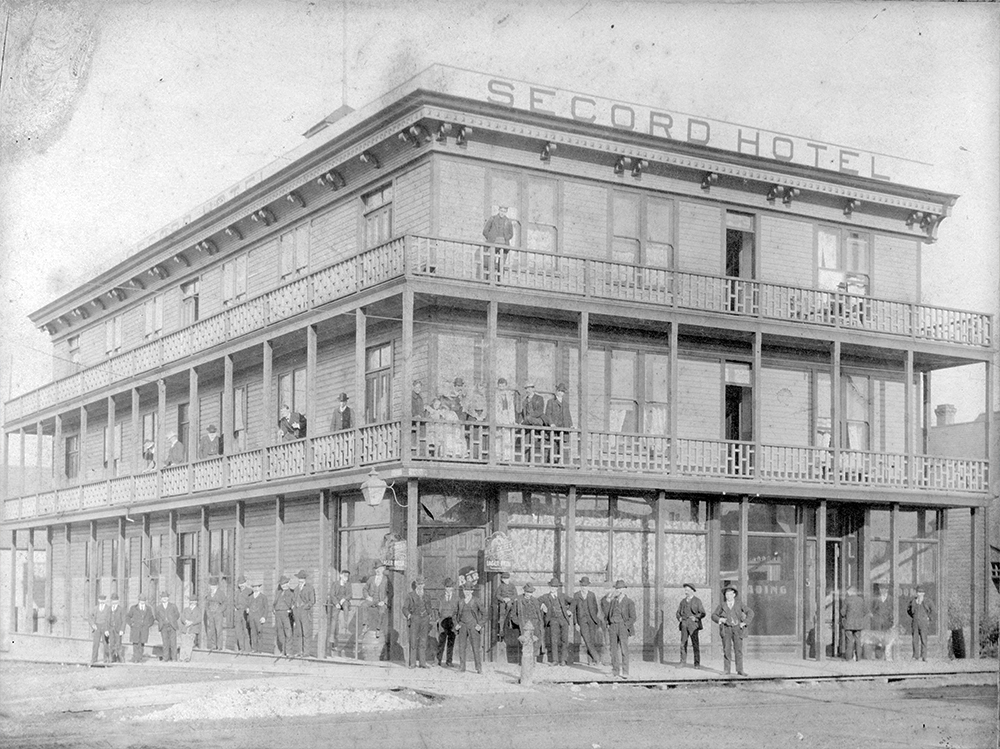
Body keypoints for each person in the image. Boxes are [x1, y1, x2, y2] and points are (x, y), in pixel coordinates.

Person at [712, 586, 754, 677]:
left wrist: (744, 623)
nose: (728, 596)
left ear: (734, 595)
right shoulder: (722, 605)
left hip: (737, 629)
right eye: (727, 594)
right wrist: (720, 619)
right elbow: (714, 616)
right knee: (726, 649)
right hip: (726, 629)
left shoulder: (739, 604)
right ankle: (726, 670)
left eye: (730, 594)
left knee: (738, 650)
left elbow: (750, 612)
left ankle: (740, 670)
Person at [606, 580, 636, 680]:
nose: (618, 590)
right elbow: (608, 613)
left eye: (620, 588)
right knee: (613, 650)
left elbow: (633, 617)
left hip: (623, 627)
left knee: (624, 650)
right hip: (613, 626)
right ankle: (615, 671)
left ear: (624, 589)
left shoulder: (629, 602)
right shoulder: (613, 601)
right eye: (617, 588)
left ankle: (625, 672)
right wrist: (608, 624)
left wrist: (625, 625)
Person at [540, 577, 573, 666]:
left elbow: (573, 602)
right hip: (553, 620)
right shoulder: (545, 597)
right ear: (549, 587)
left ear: (557, 588)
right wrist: (542, 607)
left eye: (555, 587)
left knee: (564, 640)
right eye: (551, 586)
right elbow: (537, 602)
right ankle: (555, 660)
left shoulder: (562, 595)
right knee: (553, 640)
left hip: (564, 620)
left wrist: (570, 611)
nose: (553, 588)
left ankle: (563, 660)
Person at [402, 577, 434, 669]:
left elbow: (429, 607)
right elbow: (404, 608)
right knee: (413, 641)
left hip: (425, 620)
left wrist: (429, 615)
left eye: (422, 584)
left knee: (423, 641)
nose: (420, 586)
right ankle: (412, 663)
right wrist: (409, 616)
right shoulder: (410, 595)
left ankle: (422, 663)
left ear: (424, 585)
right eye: (419, 584)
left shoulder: (427, 595)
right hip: (414, 619)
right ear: (416, 585)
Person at [456, 585, 486, 674]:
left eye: (469, 590)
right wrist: (456, 624)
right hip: (462, 626)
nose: (467, 592)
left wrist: (480, 625)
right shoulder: (460, 601)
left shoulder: (476, 601)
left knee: (475, 647)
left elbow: (485, 614)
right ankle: (462, 667)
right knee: (461, 647)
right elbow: (455, 614)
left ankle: (478, 668)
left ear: (472, 591)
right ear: (463, 590)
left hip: (473, 626)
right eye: (465, 590)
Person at [676, 582, 706, 668]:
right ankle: (682, 662)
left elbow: (703, 613)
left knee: (695, 644)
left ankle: (697, 664)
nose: (686, 592)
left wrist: (696, 617)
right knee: (683, 643)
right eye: (685, 590)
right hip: (684, 624)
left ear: (693, 591)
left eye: (688, 590)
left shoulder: (697, 601)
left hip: (693, 625)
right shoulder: (682, 601)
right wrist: (680, 618)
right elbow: (678, 613)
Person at [573, 576, 602, 666]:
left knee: (591, 640)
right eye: (582, 585)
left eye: (585, 586)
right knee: (587, 640)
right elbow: (574, 610)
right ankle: (597, 658)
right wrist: (576, 623)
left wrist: (593, 617)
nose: (584, 587)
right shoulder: (576, 595)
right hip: (582, 621)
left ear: (588, 586)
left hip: (592, 620)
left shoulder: (591, 595)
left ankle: (590, 661)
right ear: (580, 585)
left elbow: (596, 607)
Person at [513, 583, 544, 663]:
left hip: (534, 624)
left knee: (535, 641)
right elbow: (513, 614)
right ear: (524, 591)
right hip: (524, 625)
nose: (528, 594)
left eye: (530, 592)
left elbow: (538, 613)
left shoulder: (535, 600)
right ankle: (523, 661)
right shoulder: (518, 600)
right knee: (524, 642)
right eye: (527, 592)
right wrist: (519, 623)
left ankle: (532, 659)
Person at [543, 383, 572, 463]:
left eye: (562, 391)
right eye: (559, 391)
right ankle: (551, 462)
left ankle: (560, 462)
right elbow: (548, 414)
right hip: (554, 427)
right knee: (553, 445)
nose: (560, 393)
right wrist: (551, 423)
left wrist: (571, 425)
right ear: (556, 391)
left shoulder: (565, 404)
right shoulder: (551, 402)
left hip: (563, 427)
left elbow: (568, 415)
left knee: (561, 445)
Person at [328, 569, 353, 657]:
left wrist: (344, 599)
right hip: (337, 602)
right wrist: (336, 603)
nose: (346, 578)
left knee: (346, 607)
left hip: (344, 602)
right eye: (345, 576)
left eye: (347, 577)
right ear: (341, 576)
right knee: (334, 616)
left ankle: (345, 627)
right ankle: (331, 635)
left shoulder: (348, 585)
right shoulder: (335, 584)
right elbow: (332, 595)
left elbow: (350, 595)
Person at [841, 586, 868, 661]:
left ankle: (849, 658)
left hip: (849, 624)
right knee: (858, 641)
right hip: (858, 625)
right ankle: (859, 658)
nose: (847, 593)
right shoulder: (861, 600)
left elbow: (843, 612)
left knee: (849, 641)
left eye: (848, 592)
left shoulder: (847, 600)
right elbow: (866, 611)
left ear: (851, 592)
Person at [293, 569, 316, 657]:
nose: (300, 580)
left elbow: (312, 601)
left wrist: (305, 607)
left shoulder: (310, 588)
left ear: (305, 579)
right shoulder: (296, 589)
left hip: (305, 612)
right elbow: (294, 601)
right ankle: (299, 651)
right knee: (299, 632)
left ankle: (306, 652)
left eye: (302, 578)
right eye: (299, 578)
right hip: (297, 612)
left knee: (306, 632)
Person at [907, 586, 934, 662]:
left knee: (924, 639)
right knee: (915, 639)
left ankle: (924, 656)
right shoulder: (913, 601)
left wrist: (929, 618)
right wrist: (913, 616)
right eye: (918, 592)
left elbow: (933, 610)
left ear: (924, 593)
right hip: (915, 622)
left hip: (923, 623)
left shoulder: (928, 601)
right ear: (916, 593)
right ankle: (915, 656)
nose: (920, 594)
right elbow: (908, 610)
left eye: (922, 592)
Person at [126, 593, 155, 663]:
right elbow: (128, 617)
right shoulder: (133, 608)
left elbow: (152, 618)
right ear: (138, 601)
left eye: (144, 602)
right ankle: (136, 658)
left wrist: (148, 625)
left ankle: (140, 657)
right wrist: (131, 624)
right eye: (141, 602)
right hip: (135, 629)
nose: (142, 603)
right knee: (135, 643)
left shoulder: (148, 609)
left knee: (142, 644)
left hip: (144, 629)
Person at [495, 377, 519, 461]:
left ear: (506, 386)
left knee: (507, 437)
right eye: (500, 385)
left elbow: (511, 408)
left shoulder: (509, 396)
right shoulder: (495, 395)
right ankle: (497, 456)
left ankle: (507, 456)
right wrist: (497, 419)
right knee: (498, 437)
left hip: (507, 417)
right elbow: (495, 408)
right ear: (498, 386)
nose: (502, 387)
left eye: (503, 385)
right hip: (498, 416)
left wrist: (512, 420)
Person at [437, 577, 459, 667]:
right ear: (444, 587)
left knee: (451, 642)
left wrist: (456, 623)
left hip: (452, 622)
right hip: (443, 622)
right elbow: (437, 610)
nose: (449, 589)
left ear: (453, 588)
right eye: (447, 587)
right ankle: (438, 660)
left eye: (450, 587)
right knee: (441, 641)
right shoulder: (440, 597)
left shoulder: (456, 598)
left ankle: (449, 661)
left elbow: (458, 611)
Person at [363, 562, 389, 636]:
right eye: (376, 569)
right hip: (372, 599)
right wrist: (367, 596)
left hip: (381, 601)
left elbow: (389, 593)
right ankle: (366, 625)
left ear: (383, 569)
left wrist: (384, 602)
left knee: (382, 611)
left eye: (379, 569)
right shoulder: (371, 579)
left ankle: (378, 629)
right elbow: (365, 589)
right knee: (364, 605)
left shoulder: (386, 580)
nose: (377, 571)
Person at [870, 584, 895, 660]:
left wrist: (892, 621)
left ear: (887, 590)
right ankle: (878, 656)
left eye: (883, 589)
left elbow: (893, 611)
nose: (882, 591)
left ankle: (887, 656)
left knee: (887, 639)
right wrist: (874, 618)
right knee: (878, 639)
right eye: (880, 589)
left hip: (887, 623)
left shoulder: (891, 599)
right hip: (878, 622)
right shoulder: (876, 599)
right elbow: (872, 610)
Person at [155, 591, 180, 662]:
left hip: (172, 626)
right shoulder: (158, 607)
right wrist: (161, 621)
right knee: (165, 643)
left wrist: (171, 620)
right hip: (163, 627)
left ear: (168, 598)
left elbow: (177, 615)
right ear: (161, 599)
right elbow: (156, 616)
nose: (164, 599)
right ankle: (165, 658)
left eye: (166, 597)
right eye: (163, 597)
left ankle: (174, 658)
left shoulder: (173, 606)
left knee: (173, 643)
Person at [273, 576, 294, 655]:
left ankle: (288, 651)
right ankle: (283, 650)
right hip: (278, 614)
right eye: (282, 584)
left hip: (286, 614)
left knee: (288, 633)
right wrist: (274, 609)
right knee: (280, 633)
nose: (284, 586)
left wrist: (290, 611)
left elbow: (293, 603)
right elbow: (274, 603)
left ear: (288, 583)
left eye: (285, 584)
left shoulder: (292, 592)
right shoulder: (278, 592)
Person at [494, 571, 517, 644]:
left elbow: (515, 595)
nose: (506, 580)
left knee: (510, 605)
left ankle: (509, 620)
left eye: (507, 578)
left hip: (510, 602)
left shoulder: (512, 586)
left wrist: (510, 599)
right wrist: (503, 599)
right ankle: (501, 630)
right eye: (504, 579)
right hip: (503, 603)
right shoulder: (501, 586)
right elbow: (497, 595)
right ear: (502, 580)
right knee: (501, 615)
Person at [89, 594, 112, 665]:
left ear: (105, 601)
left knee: (106, 644)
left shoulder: (108, 608)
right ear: (98, 600)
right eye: (101, 600)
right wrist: (93, 625)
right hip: (97, 627)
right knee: (95, 644)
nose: (102, 602)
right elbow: (90, 617)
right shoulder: (95, 608)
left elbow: (110, 619)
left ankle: (106, 659)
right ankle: (94, 659)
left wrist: (107, 629)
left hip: (105, 627)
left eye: (103, 601)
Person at [205, 577, 227, 651]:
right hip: (211, 614)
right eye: (211, 585)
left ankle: (219, 646)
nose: (212, 587)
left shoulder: (220, 593)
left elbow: (225, 603)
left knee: (219, 630)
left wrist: (220, 610)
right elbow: (206, 604)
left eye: (214, 585)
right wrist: (208, 612)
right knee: (212, 630)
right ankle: (213, 645)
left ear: (217, 586)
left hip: (218, 614)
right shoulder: (208, 594)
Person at [179, 597, 203, 662]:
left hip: (193, 628)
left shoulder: (198, 610)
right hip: (185, 628)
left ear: (196, 602)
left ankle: (187, 657)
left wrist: (192, 622)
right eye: (191, 601)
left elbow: (199, 619)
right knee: (183, 643)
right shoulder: (186, 609)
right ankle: (181, 657)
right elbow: (182, 617)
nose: (192, 603)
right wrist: (186, 621)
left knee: (189, 643)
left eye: (194, 601)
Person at [233, 575, 252, 652]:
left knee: (246, 630)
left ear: (246, 583)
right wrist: (235, 607)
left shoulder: (249, 591)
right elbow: (235, 602)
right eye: (240, 583)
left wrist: (248, 609)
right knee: (238, 631)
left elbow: (251, 602)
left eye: (243, 583)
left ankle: (247, 649)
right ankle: (241, 648)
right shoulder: (237, 592)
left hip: (245, 612)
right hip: (238, 612)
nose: (241, 585)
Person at [247, 582, 268, 653]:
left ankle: (260, 649)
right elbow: (248, 606)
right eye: (254, 587)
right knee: (253, 633)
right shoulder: (250, 597)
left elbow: (266, 608)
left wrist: (264, 617)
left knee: (259, 633)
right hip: (252, 618)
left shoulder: (263, 597)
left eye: (257, 587)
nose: (255, 588)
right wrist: (247, 610)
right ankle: (254, 648)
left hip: (259, 618)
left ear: (259, 587)